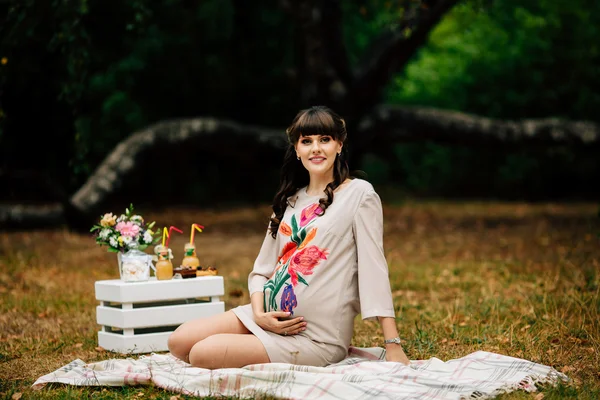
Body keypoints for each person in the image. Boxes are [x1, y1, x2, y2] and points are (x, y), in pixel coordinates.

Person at [168, 105, 410, 368]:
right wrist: (259, 315)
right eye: (307, 141)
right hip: (265, 317)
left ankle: (251, 346)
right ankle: (253, 338)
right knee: (179, 342)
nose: (316, 148)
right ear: (297, 149)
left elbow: (373, 268)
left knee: (202, 354)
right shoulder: (290, 200)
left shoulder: (359, 195)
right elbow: (261, 271)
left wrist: (392, 344)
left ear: (339, 145)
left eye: (325, 140)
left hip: (314, 338)